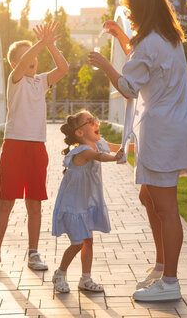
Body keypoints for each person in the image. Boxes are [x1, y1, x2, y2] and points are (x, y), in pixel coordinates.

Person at [88, 0, 187, 302]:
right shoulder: (167, 39)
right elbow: (141, 61)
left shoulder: (151, 43)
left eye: (131, 12)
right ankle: (162, 267)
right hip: (170, 129)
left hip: (162, 133)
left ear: (143, 12)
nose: (130, 18)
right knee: (148, 197)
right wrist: (121, 38)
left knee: (166, 207)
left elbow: (128, 85)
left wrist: (104, 65)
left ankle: (170, 280)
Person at [0, 21, 69, 272]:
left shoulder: (41, 81)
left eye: (36, 56)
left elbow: (64, 67)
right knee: (6, 200)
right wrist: (39, 43)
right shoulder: (14, 79)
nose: (34, 59)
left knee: (35, 203)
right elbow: (22, 63)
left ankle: (33, 253)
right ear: (15, 63)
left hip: (37, 147)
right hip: (15, 146)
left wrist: (50, 45)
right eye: (28, 55)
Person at [51, 111, 123, 293]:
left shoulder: (98, 143)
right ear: (80, 133)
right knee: (77, 243)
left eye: (94, 119)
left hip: (85, 205)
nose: (95, 122)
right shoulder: (83, 151)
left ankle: (86, 278)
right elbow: (100, 156)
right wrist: (114, 158)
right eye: (89, 121)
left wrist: (138, 146)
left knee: (88, 242)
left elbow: (116, 147)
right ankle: (60, 273)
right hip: (73, 206)